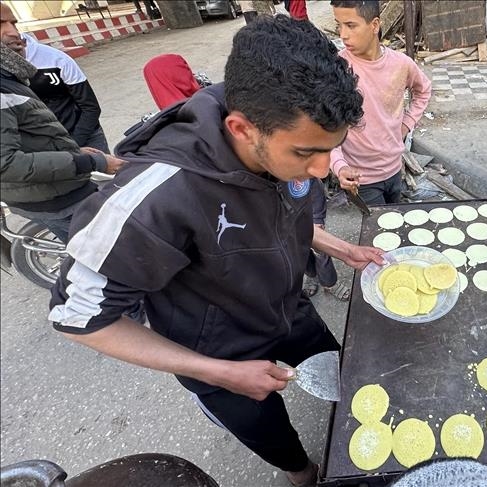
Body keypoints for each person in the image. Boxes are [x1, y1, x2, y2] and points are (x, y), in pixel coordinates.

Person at [48, 16, 383, 487]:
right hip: (219, 350)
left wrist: (340, 246)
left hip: (287, 309)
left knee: (344, 380)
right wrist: (220, 372)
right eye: (306, 153)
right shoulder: (154, 198)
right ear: (241, 128)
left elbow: (279, 216)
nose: (322, 168)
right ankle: (304, 475)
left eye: (333, 149)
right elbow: (78, 316)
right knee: (274, 437)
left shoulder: (280, 131)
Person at [0, 44, 124, 243]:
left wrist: (72, 150)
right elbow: (6, 164)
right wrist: (92, 162)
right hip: (53, 199)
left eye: (15, 27)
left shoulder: (10, 77)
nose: (15, 35)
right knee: (112, 249)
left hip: (58, 187)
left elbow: (29, 137)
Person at [330, 0, 431, 206]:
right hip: (360, 178)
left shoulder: (401, 64)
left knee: (395, 217)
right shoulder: (337, 69)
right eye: (338, 25)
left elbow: (423, 90)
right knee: (378, 224)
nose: (343, 35)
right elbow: (326, 126)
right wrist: (339, 166)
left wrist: (405, 125)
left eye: (350, 25)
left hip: (395, 168)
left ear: (374, 25)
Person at [0, 3, 108, 153]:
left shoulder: (56, 59)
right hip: (42, 150)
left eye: (13, 23)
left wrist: (74, 147)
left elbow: (91, 107)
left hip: (83, 138)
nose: (12, 32)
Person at [302, 178, 351, 301]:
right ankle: (311, 275)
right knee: (299, 253)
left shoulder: (301, 175)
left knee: (320, 251)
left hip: (309, 214)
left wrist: (317, 219)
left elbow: (314, 186)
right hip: (280, 225)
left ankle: (330, 283)